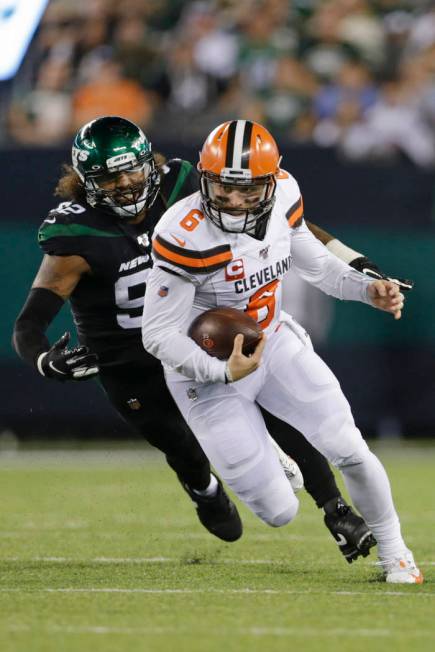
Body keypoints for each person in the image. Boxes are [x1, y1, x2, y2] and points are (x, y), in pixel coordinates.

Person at [13, 116, 408, 562]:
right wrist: (46, 359)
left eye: (131, 171)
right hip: (130, 361)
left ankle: (333, 506)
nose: (124, 185)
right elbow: (29, 323)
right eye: (108, 177)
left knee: (274, 404)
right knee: (182, 447)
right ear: (85, 181)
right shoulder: (77, 233)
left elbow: (293, 229)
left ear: (150, 163)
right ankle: (202, 486)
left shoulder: (190, 185)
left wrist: (355, 264)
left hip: (204, 336)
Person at [142, 119, 422, 584]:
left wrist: (366, 288)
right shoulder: (182, 233)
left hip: (270, 340)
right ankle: (268, 446)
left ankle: (396, 553)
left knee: (348, 448)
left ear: (272, 182)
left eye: (248, 190)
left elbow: (319, 267)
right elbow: (157, 334)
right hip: (202, 371)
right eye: (223, 188)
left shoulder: (286, 197)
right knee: (278, 510)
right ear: (205, 180)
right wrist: (221, 370)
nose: (233, 202)